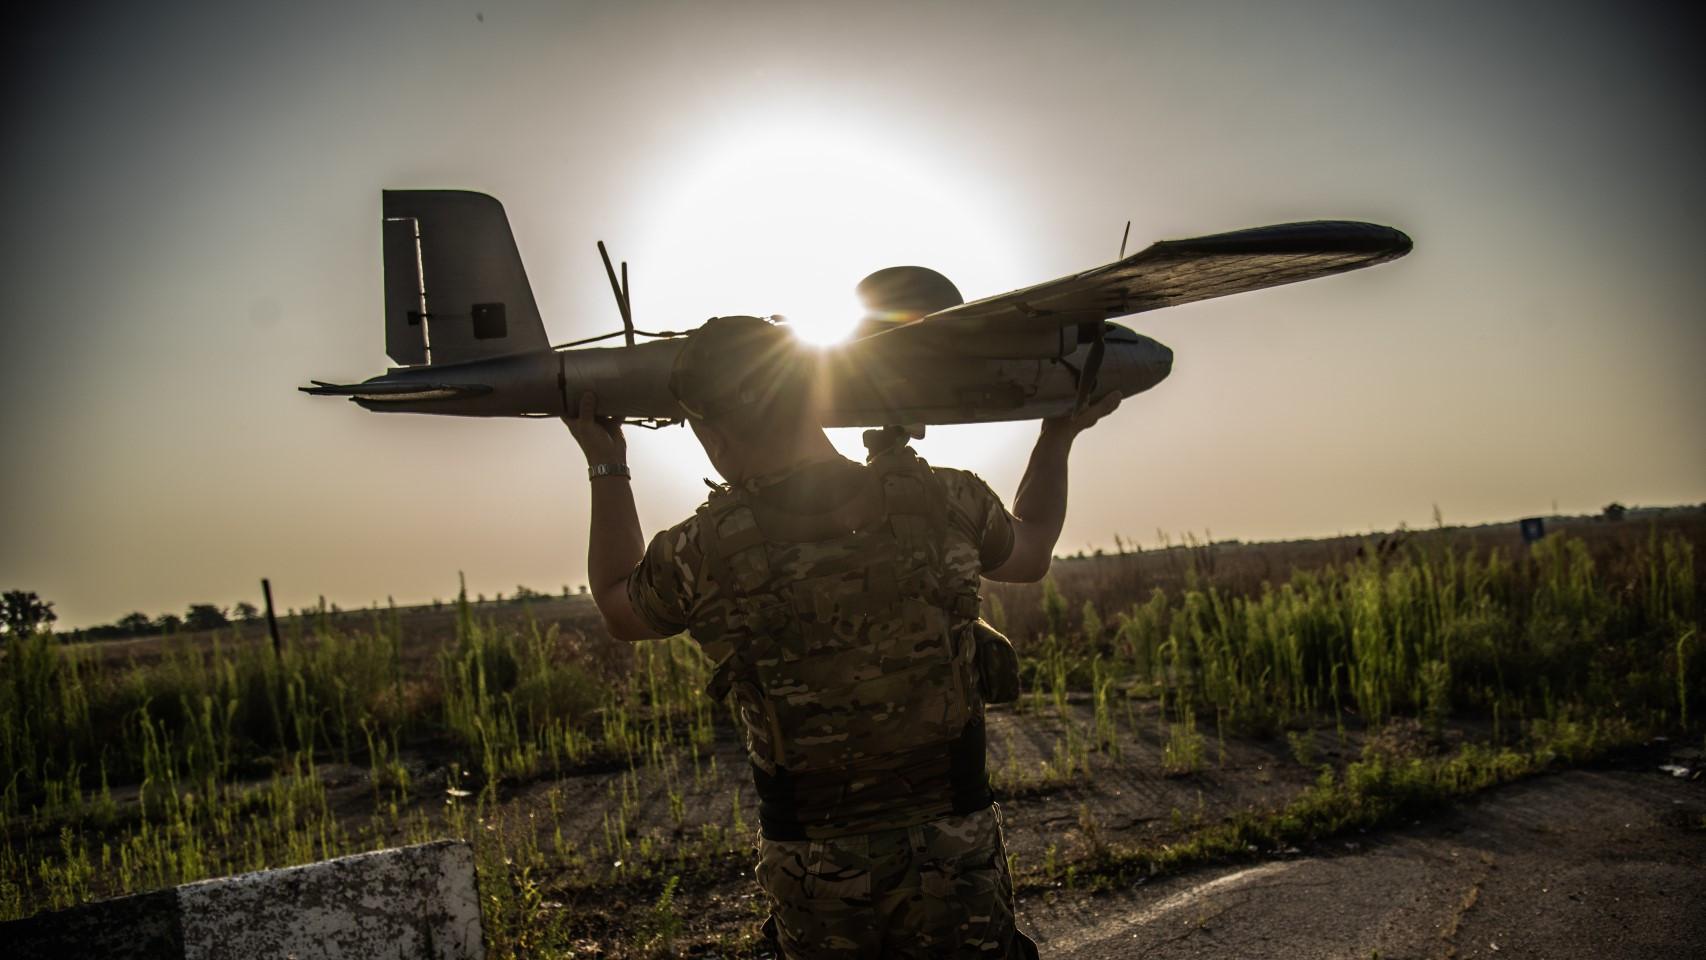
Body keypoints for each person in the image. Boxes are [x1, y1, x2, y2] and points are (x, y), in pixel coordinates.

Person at [563, 315, 1120, 958]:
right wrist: (1058, 436)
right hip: (954, 854)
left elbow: (615, 607)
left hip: (817, 875)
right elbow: (1034, 550)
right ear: (817, 399)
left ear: (709, 431)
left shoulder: (700, 553)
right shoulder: (948, 501)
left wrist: (608, 465)